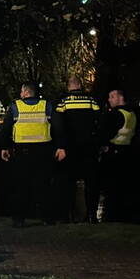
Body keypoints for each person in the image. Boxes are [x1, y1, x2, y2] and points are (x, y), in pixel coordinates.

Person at [0, 81, 64, 227]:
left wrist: (4, 147)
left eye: (21, 92)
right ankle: (47, 218)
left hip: (22, 152)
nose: (20, 94)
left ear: (26, 92)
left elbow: (5, 129)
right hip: (43, 151)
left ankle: (19, 220)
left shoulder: (15, 107)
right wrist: (60, 147)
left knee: (20, 186)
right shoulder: (46, 106)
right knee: (44, 186)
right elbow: (59, 127)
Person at [55, 75, 101, 223]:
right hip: (89, 147)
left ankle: (69, 214)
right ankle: (91, 215)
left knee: (69, 182)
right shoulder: (91, 100)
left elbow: (58, 125)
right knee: (91, 182)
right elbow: (99, 120)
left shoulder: (63, 102)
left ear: (69, 86)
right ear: (80, 85)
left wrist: (60, 146)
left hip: (70, 148)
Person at [99, 88, 137, 222]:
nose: (109, 99)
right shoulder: (131, 113)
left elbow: (106, 133)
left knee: (111, 188)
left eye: (112, 97)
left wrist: (103, 145)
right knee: (124, 187)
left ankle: (111, 217)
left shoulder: (116, 114)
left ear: (121, 98)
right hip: (127, 153)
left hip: (113, 154)